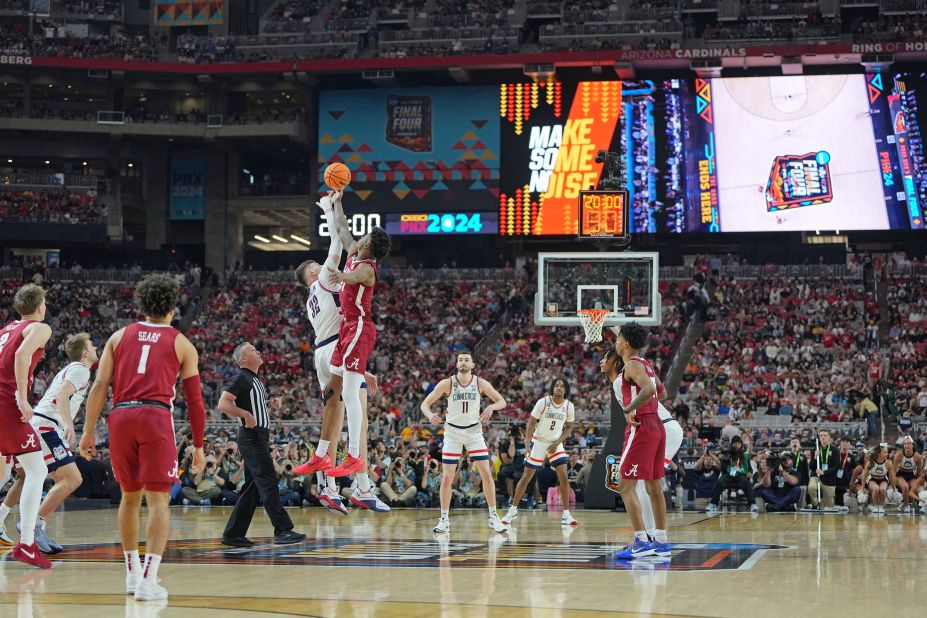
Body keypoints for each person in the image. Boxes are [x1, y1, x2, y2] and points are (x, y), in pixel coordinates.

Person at [79, 274, 207, 600]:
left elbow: (98, 387)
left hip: (120, 415)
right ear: (173, 307)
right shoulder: (181, 342)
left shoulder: (118, 336)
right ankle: (149, 580)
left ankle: (131, 574)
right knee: (159, 500)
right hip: (154, 415)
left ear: (141, 303)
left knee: (129, 497)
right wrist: (199, 445)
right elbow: (194, 400)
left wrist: (88, 430)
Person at [292, 190, 387, 514]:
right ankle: (362, 485)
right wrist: (329, 210)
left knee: (333, 413)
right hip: (342, 340)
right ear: (314, 275)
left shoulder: (310, 300)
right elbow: (338, 240)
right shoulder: (328, 281)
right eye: (319, 266)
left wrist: (333, 206)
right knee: (355, 415)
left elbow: (342, 234)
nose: (323, 265)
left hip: (327, 351)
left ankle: (328, 486)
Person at [319, 190, 391, 486]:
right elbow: (342, 228)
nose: (358, 239)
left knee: (350, 393)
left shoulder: (368, 268)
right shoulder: (354, 253)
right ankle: (324, 452)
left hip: (360, 326)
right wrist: (336, 203)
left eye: (365, 238)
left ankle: (353, 457)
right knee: (335, 389)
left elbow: (355, 277)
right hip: (348, 327)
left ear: (369, 244)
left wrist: (339, 277)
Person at [0, 332, 97, 554]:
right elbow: (63, 395)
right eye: (91, 345)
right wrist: (69, 425)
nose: (94, 348)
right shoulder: (80, 370)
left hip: (39, 424)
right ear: (84, 352)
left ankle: (15, 521)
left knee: (30, 476)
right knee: (72, 479)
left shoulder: (73, 370)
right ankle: (34, 526)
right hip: (47, 425)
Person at [217, 342, 306, 545]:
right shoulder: (241, 377)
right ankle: (283, 530)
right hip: (252, 436)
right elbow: (223, 403)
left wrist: (268, 404)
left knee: (252, 487)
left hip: (258, 436)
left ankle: (232, 534)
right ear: (243, 359)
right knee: (268, 480)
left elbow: (251, 405)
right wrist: (245, 414)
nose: (257, 351)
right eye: (252, 350)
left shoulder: (254, 380)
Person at [421, 350, 508, 534]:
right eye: (460, 359)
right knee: (446, 477)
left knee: (486, 473)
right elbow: (424, 404)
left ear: (472, 365)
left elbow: (502, 401)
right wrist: (430, 416)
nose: (463, 362)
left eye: (466, 360)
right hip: (452, 433)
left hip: (474, 433)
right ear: (456, 364)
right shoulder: (447, 383)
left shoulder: (480, 383)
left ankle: (493, 516)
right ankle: (444, 519)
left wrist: (492, 406)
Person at [0, 284, 53, 568]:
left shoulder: (6, 329)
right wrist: (21, 397)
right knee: (37, 469)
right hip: (6, 404)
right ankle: (27, 543)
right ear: (40, 306)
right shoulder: (40, 328)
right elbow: (21, 356)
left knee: (9, 470)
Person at [611, 323, 670, 560]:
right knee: (654, 486)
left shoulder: (632, 365)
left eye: (618, 340)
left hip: (643, 426)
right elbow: (662, 393)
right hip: (657, 425)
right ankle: (661, 540)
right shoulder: (646, 364)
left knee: (625, 485)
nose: (615, 344)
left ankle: (641, 541)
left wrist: (629, 408)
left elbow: (646, 389)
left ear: (625, 343)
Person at [502, 378, 577, 527]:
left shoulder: (569, 406)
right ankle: (512, 510)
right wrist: (527, 444)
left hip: (555, 441)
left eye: (562, 386)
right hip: (539, 440)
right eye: (556, 385)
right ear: (552, 388)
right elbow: (531, 423)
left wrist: (558, 442)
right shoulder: (543, 402)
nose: (559, 388)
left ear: (566, 390)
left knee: (563, 476)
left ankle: (566, 514)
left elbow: (569, 427)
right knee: (526, 476)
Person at [706, 435, 757, 512]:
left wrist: (750, 472)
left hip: (740, 478)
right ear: (731, 444)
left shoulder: (744, 455)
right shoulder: (727, 454)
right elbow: (724, 469)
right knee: (720, 481)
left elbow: (749, 469)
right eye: (735, 443)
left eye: (738, 444)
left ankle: (752, 504)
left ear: (741, 445)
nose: (737, 445)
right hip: (728, 477)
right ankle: (713, 503)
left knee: (747, 482)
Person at [808, 429, 839, 509]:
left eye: (825, 435)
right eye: (821, 435)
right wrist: (815, 458)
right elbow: (811, 467)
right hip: (816, 476)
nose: (823, 437)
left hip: (829, 479)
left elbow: (836, 467)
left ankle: (824, 505)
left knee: (828, 507)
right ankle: (815, 504)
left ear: (829, 438)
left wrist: (824, 472)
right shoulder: (815, 449)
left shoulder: (835, 450)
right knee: (811, 487)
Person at [862, 443, 895, 515]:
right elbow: (864, 476)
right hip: (872, 479)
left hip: (883, 479)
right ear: (879, 453)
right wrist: (862, 489)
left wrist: (894, 489)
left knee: (883, 489)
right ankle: (875, 506)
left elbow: (891, 477)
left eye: (887, 452)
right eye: (884, 452)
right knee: (876, 489)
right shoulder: (871, 462)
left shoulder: (888, 463)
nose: (887, 454)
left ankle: (881, 506)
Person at [892, 436, 921, 513]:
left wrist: (917, 480)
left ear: (912, 445)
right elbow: (893, 471)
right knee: (905, 486)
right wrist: (893, 482)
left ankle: (917, 504)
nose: (906, 445)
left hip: (911, 474)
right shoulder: (898, 455)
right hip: (901, 474)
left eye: (908, 443)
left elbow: (919, 471)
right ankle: (906, 505)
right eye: (905, 444)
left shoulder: (918, 456)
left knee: (916, 487)